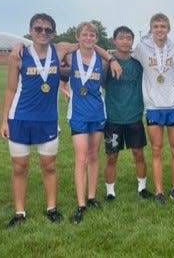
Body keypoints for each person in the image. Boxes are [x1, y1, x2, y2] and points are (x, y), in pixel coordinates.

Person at [1, 13, 75, 228]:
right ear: (31, 30)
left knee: (49, 166)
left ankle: (51, 208)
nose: (43, 33)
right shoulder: (19, 54)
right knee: (19, 167)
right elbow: (10, 88)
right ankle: (19, 212)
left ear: (53, 33)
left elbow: (84, 43)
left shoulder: (59, 49)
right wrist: (4, 120)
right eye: (38, 29)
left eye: (48, 30)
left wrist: (112, 58)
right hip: (20, 118)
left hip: (48, 119)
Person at [133, 13, 174, 205]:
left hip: (173, 104)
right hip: (153, 106)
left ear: (168, 29)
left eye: (163, 26)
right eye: (156, 26)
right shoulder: (141, 48)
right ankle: (160, 191)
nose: (160, 30)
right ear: (150, 29)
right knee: (156, 149)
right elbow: (124, 55)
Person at [103, 26, 153, 202]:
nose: (125, 41)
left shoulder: (138, 64)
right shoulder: (107, 64)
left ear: (132, 41)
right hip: (113, 118)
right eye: (121, 38)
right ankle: (110, 191)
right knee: (112, 156)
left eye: (128, 38)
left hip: (134, 118)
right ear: (114, 41)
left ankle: (142, 188)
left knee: (138, 153)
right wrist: (110, 60)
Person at [66, 21, 108, 224]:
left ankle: (91, 197)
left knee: (93, 156)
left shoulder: (103, 60)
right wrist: (65, 91)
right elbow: (59, 50)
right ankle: (81, 203)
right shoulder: (69, 56)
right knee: (80, 158)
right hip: (78, 115)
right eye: (85, 35)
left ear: (97, 39)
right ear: (78, 37)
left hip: (98, 113)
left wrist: (109, 56)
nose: (89, 38)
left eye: (92, 35)